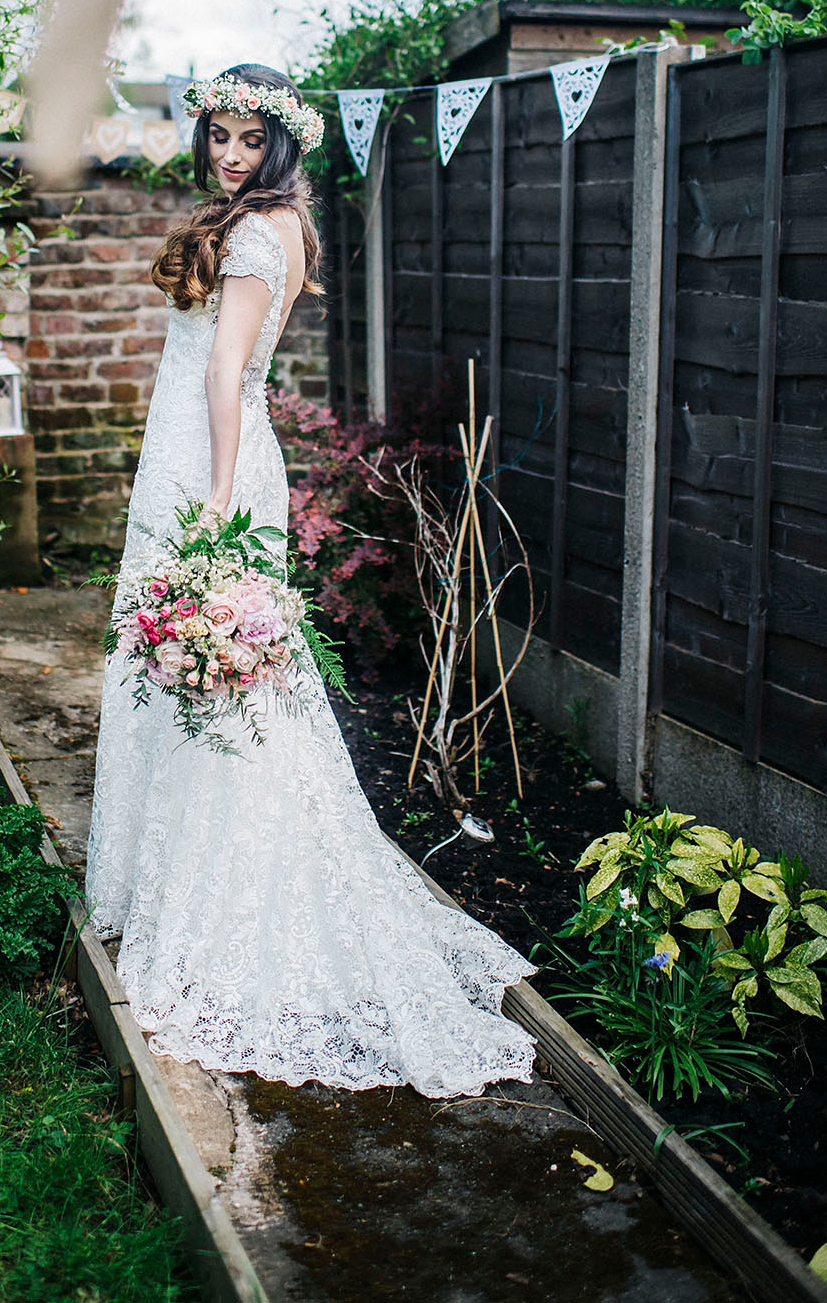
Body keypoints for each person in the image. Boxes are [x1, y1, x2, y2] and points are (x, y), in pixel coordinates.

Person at [85, 62, 537, 1097]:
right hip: (209, 455)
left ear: (280, 145)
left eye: (250, 140)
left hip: (207, 459)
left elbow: (224, 369)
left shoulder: (254, 232)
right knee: (202, 661)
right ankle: (178, 866)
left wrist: (207, 496)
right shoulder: (276, 222)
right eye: (220, 137)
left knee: (209, 661)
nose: (229, 154)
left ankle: (223, 888)